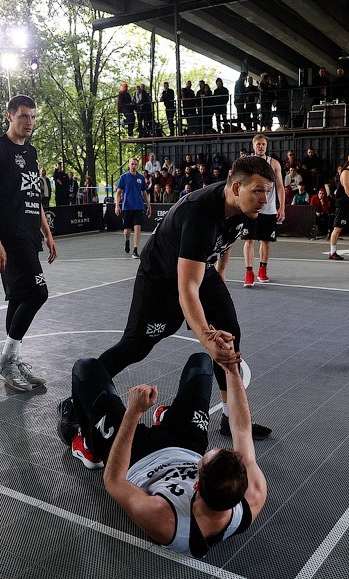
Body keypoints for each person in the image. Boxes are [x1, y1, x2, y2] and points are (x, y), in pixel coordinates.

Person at [98, 156, 276, 440]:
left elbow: (226, 240)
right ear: (236, 188)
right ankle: (83, 393)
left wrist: (219, 275)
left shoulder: (246, 208)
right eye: (258, 190)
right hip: (159, 278)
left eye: (268, 190)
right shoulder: (200, 214)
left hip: (199, 268)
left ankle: (232, 419)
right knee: (135, 347)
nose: (264, 199)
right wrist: (206, 340)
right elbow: (186, 290)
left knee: (230, 333)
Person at [59, 351, 266, 558]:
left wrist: (133, 412)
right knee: (201, 362)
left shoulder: (166, 520)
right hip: (185, 444)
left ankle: (88, 445)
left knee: (86, 368)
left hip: (135, 458)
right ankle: (169, 418)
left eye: (202, 461)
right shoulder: (253, 495)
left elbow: (113, 481)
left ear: (196, 484)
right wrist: (230, 368)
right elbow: (241, 428)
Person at [0, 95, 57, 393]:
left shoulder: (32, 152)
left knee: (18, 297)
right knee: (38, 292)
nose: (30, 122)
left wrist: (47, 234)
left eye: (33, 117)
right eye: (24, 116)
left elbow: (34, 196)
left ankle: (13, 358)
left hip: (29, 234)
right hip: (9, 237)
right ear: (9, 116)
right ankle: (5, 360)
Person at [242, 134, 286, 286]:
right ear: (253, 145)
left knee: (265, 242)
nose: (261, 146)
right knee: (249, 240)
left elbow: (280, 186)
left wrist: (282, 207)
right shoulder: (247, 163)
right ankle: (249, 272)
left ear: (266, 146)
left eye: (263, 144)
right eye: (258, 144)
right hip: (251, 209)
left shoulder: (273, 163)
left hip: (269, 208)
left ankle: (262, 269)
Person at [116, 157, 151, 258]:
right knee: (127, 230)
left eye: (136, 164)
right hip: (127, 206)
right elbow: (118, 192)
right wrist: (117, 205)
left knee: (137, 227)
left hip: (139, 206)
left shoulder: (141, 178)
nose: (134, 166)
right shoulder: (123, 177)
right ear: (129, 165)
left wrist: (149, 205)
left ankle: (135, 250)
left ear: (138, 165)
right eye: (132, 164)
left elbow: (144, 193)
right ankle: (127, 240)